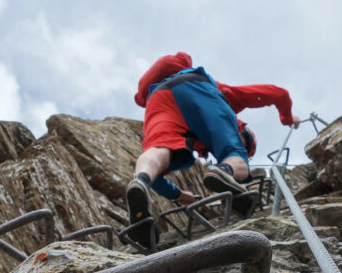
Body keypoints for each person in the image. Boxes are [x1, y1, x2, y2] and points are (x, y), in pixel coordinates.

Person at [125, 52, 300, 249]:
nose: (244, 146)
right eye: (246, 144)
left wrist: (178, 195)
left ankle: (140, 180)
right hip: (197, 86)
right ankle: (224, 170)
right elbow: (279, 94)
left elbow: (157, 179)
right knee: (234, 155)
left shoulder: (196, 136)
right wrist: (287, 118)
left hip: (157, 98)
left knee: (159, 148)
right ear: (244, 131)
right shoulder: (225, 97)